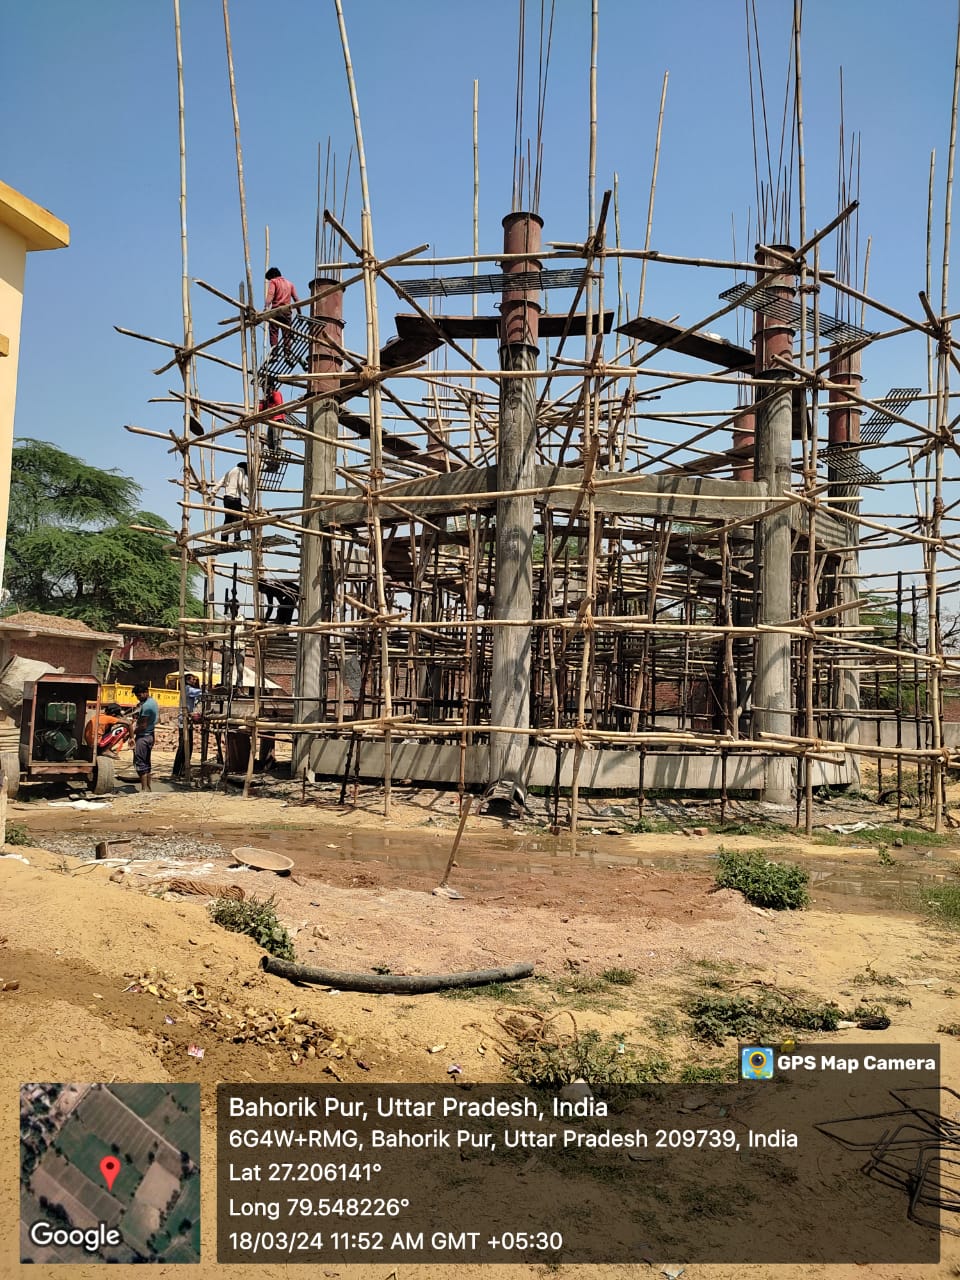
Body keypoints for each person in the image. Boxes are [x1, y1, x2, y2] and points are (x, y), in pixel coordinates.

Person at [264, 267, 299, 363]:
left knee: (274, 332)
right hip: (287, 313)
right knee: (287, 334)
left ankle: (274, 355)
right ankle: (287, 355)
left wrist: (266, 307)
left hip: (276, 312)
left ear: (272, 276)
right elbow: (296, 299)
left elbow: (270, 295)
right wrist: (299, 312)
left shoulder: (274, 281)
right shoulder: (290, 284)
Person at [172, 674, 203, 779]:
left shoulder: (189, 690)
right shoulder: (187, 689)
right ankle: (176, 771)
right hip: (184, 722)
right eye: (193, 679)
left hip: (188, 722)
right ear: (187, 680)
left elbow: (198, 697)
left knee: (188, 747)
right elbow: (199, 693)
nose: (194, 681)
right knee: (183, 747)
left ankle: (183, 770)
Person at [132, 683, 160, 792]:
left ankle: (144, 788)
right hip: (150, 735)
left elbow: (143, 726)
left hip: (143, 737)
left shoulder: (147, 706)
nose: (138, 698)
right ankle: (148, 788)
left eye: (139, 695)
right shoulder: (152, 702)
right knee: (147, 763)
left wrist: (130, 734)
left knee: (140, 763)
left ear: (146, 692)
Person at [215, 461, 248, 542]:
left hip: (226, 499)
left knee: (228, 519)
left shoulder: (229, 472)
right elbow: (242, 484)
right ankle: (237, 537)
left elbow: (220, 482)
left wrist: (213, 492)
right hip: (234, 498)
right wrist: (248, 496)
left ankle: (224, 538)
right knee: (239, 517)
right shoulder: (241, 470)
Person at [258, 379, 286, 451]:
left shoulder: (276, 393)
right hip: (272, 421)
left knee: (276, 439)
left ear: (270, 387)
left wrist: (268, 407)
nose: (264, 390)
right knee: (270, 441)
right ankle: (272, 452)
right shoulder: (268, 398)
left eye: (265, 388)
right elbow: (261, 408)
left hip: (278, 420)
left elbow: (278, 405)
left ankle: (277, 452)